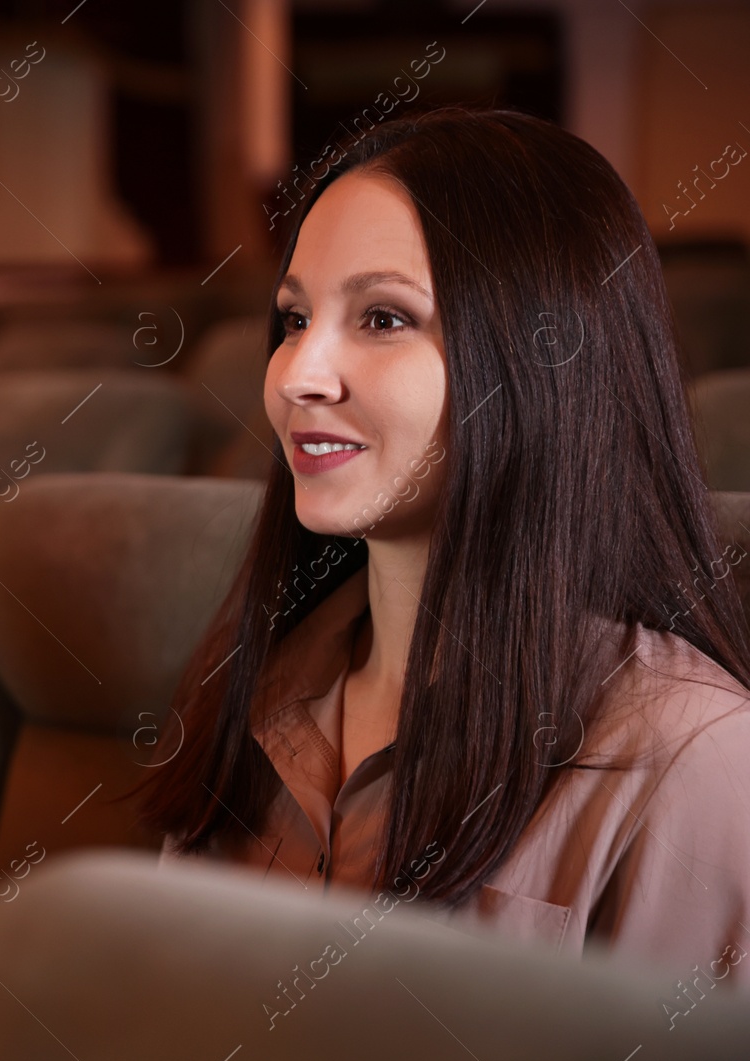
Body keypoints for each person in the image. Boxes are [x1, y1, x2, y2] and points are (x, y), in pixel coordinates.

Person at [144, 108, 750, 981]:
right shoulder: (254, 683)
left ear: (544, 360)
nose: (299, 374)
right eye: (293, 318)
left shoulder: (694, 763)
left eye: (384, 318)